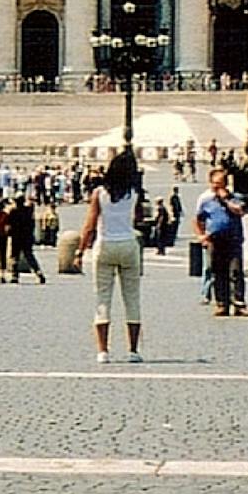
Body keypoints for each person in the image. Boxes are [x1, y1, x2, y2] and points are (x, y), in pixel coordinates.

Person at [83, 149, 145, 363]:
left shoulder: (99, 193)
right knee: (132, 299)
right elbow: (138, 218)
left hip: (105, 244)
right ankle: (133, 350)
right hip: (128, 244)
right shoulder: (134, 193)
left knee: (102, 299)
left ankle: (103, 351)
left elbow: (90, 225)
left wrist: (80, 250)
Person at [194, 168, 248, 317]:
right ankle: (222, 304)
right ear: (211, 183)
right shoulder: (206, 200)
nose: (218, 187)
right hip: (215, 241)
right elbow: (198, 219)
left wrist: (224, 200)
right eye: (216, 184)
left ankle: (239, 303)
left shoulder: (235, 197)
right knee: (218, 273)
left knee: (236, 271)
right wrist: (201, 236)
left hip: (233, 239)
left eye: (221, 184)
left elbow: (239, 211)